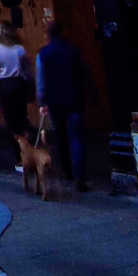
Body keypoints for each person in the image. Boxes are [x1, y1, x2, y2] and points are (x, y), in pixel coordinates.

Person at [35, 21, 92, 191]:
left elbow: (41, 80)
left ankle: (67, 171)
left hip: (55, 101)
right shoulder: (74, 51)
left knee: (60, 136)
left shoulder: (44, 54)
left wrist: (42, 101)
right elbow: (84, 74)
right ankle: (80, 176)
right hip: (75, 98)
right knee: (77, 138)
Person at [0, 21, 33, 162]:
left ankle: (19, 156)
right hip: (19, 84)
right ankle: (30, 149)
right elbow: (27, 71)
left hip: (5, 86)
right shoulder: (20, 49)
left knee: (10, 120)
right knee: (22, 117)